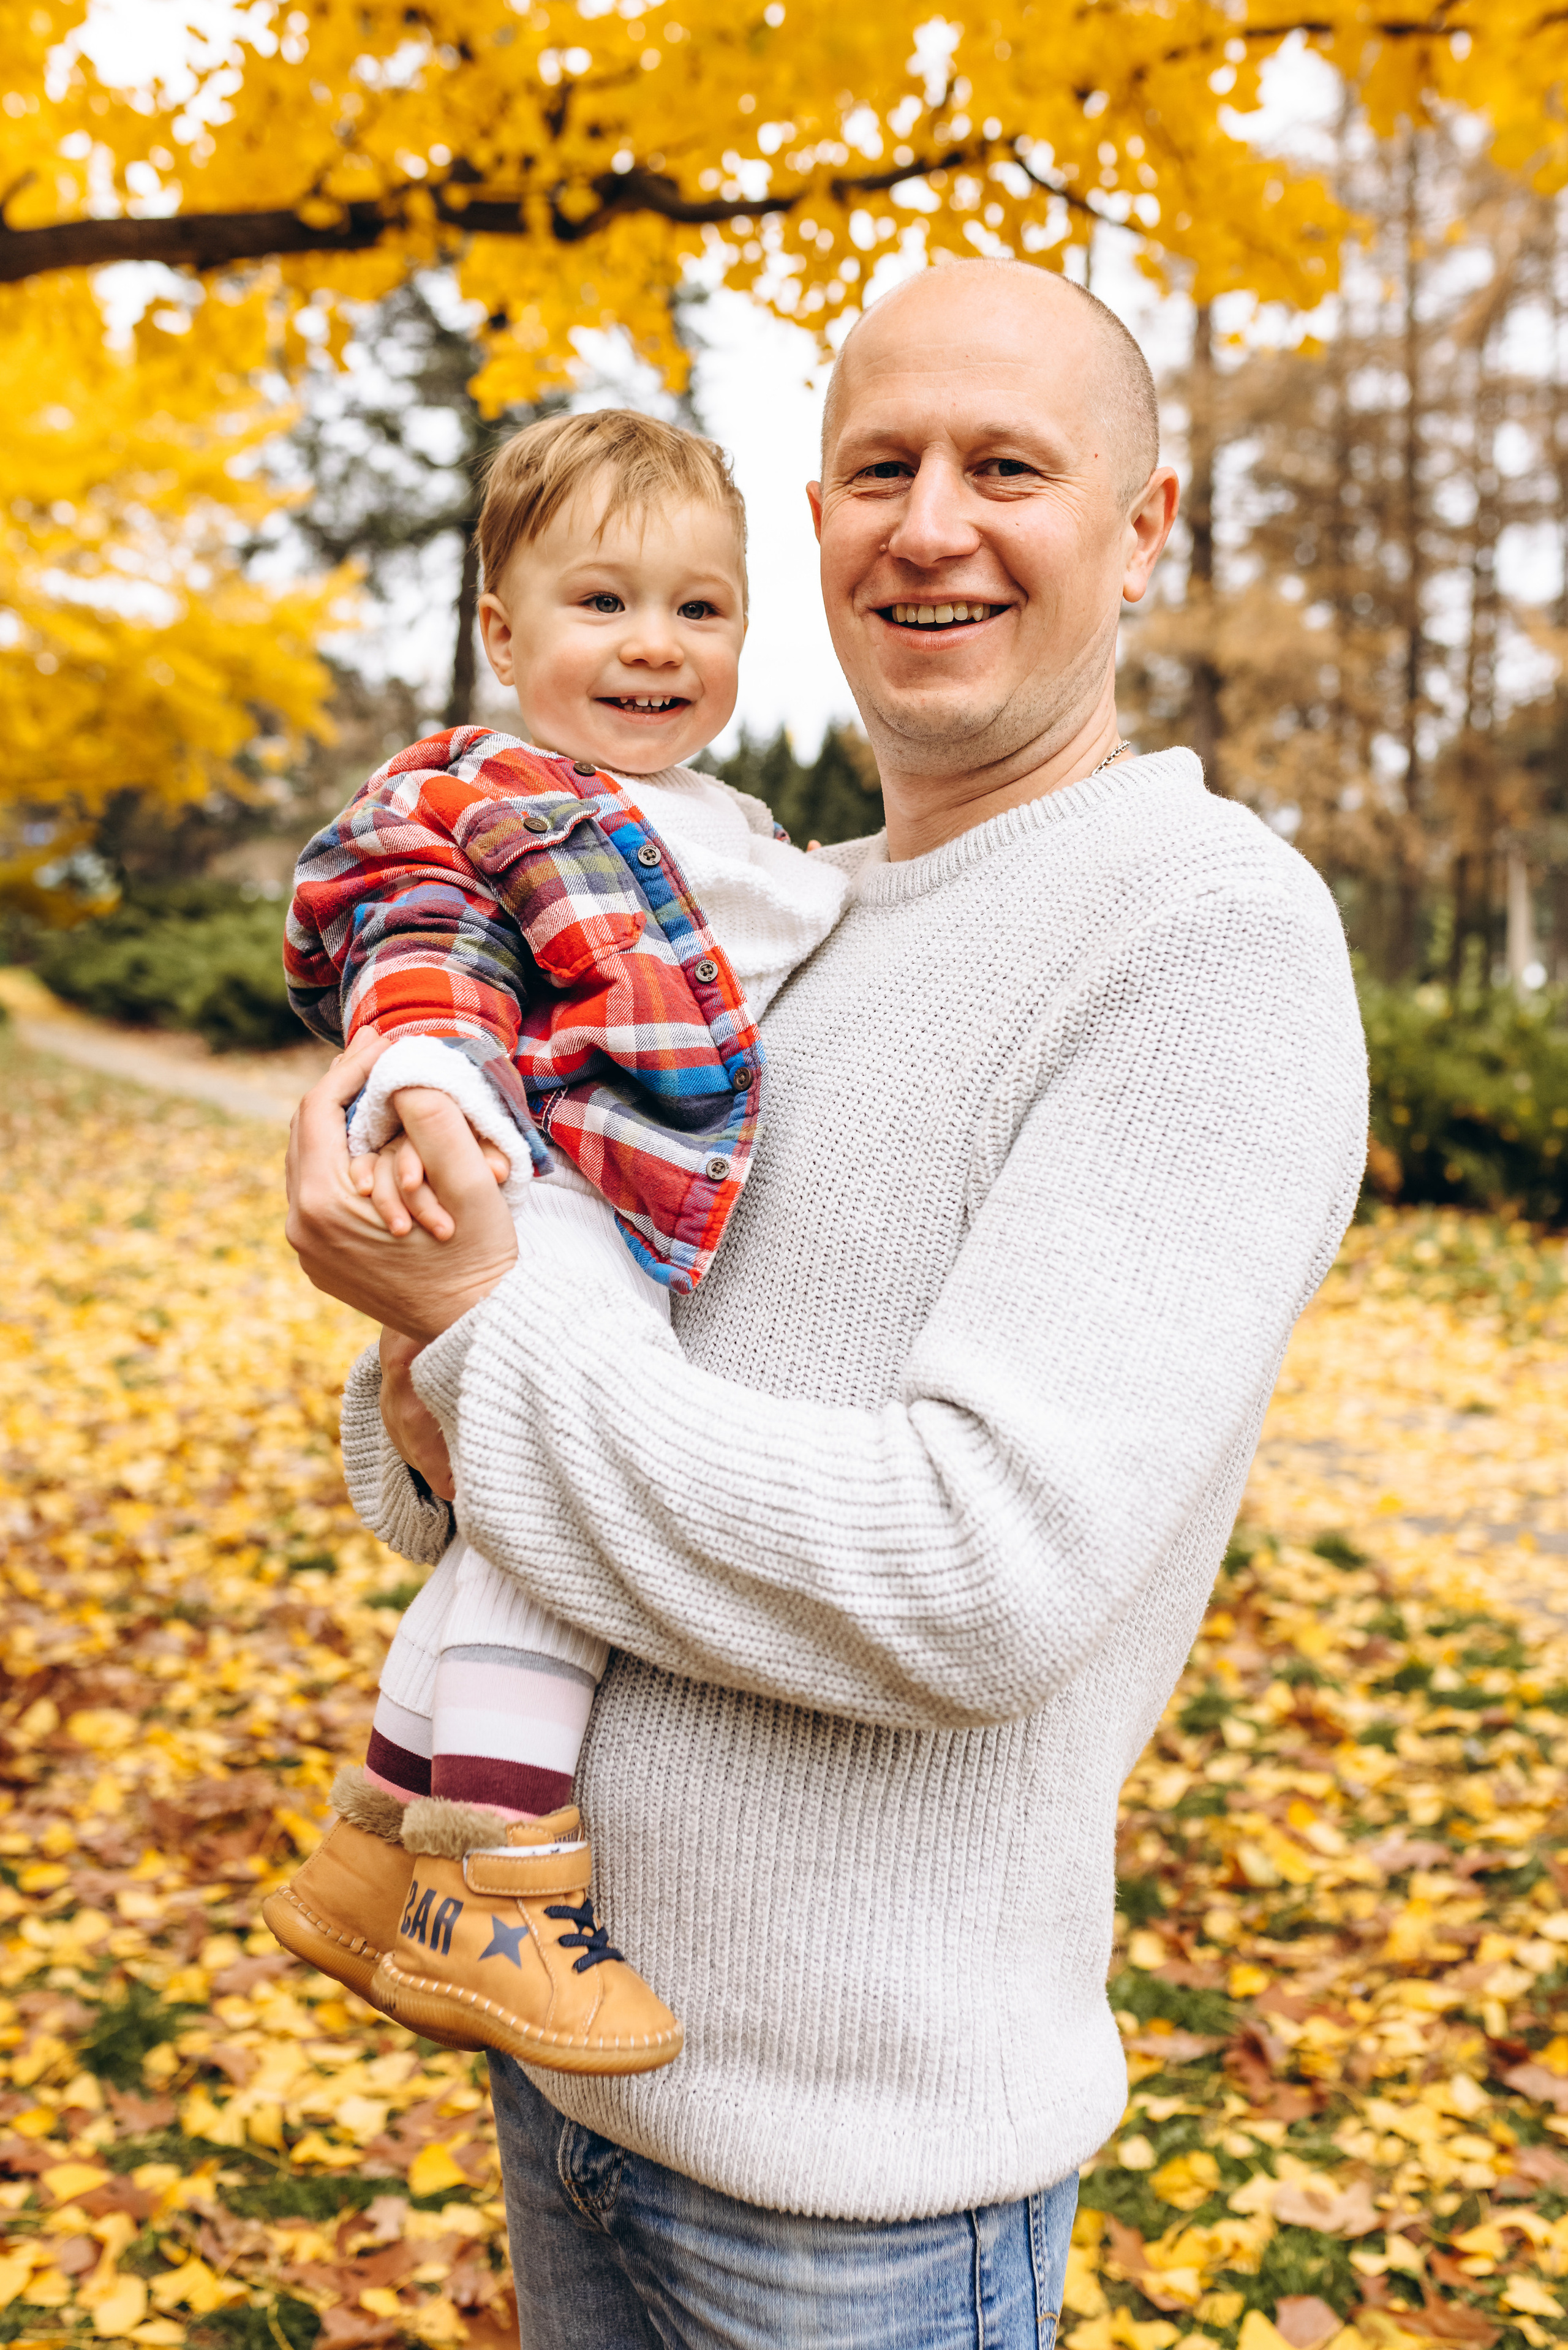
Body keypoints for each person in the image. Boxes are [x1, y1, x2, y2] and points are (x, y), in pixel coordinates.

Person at [285, 258, 1368, 2348]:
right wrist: (422, 1336)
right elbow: (474, 1468)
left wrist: (481, 1334)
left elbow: (975, 1576)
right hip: (569, 2056)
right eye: (880, 466)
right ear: (816, 528)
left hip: (851, 2202)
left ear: (1144, 532)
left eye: (1008, 466)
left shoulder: (1205, 936)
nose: (931, 523)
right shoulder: (773, 919)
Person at [266, 409, 847, 2074]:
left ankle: (380, 1836)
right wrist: (437, 1087)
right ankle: (509, 1866)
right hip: (536, 1179)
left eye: (701, 608)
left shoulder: (725, 827)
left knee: (505, 1523)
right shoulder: (497, 795)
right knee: (557, 1512)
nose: (654, 645)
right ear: (504, 636)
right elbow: (421, 936)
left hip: (609, 1199)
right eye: (603, 604)